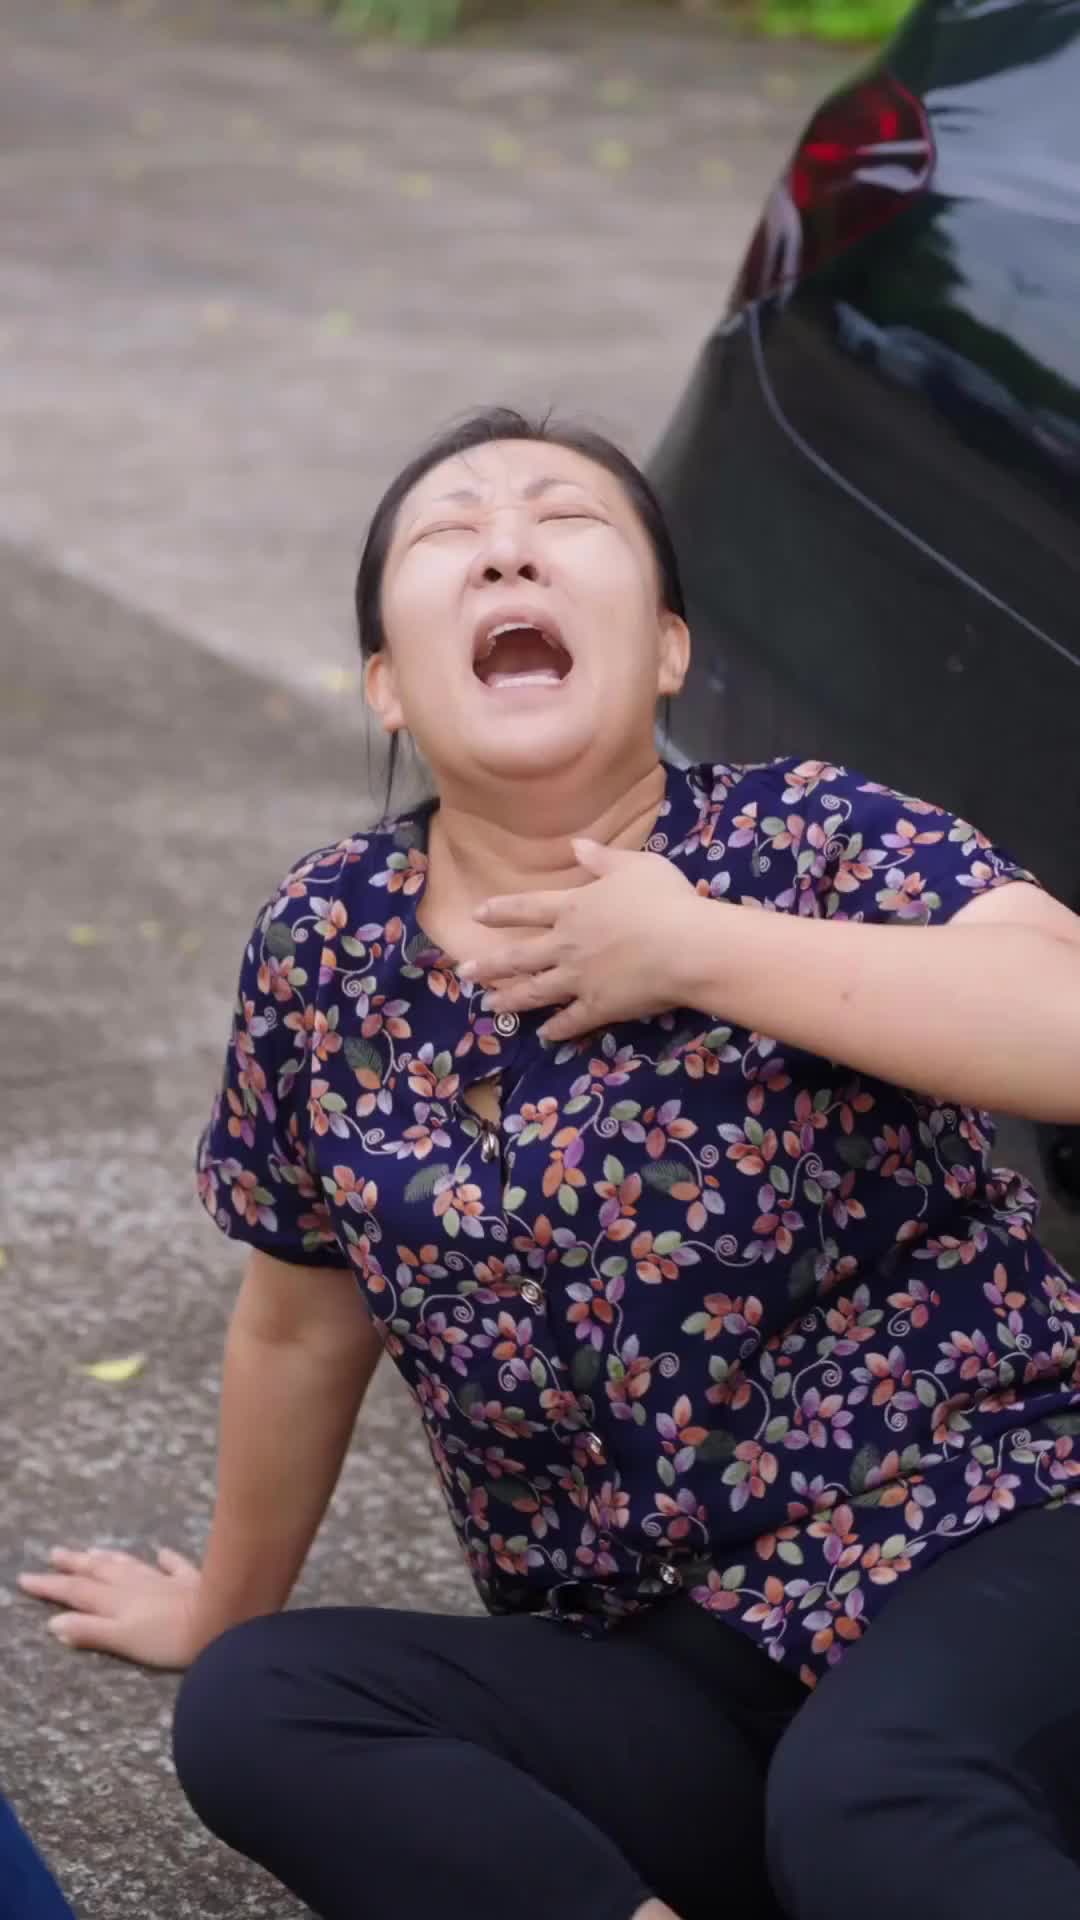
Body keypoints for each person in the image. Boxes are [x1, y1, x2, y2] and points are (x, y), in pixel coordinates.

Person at [18, 407, 1080, 1920]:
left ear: (668, 649)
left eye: (566, 520)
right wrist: (220, 1610)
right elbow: (303, 1317)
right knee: (264, 1706)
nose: (506, 546)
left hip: (994, 1532)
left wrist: (699, 949)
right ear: (386, 684)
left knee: (877, 1803)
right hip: (667, 1657)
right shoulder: (327, 942)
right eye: (449, 532)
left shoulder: (808, 840)